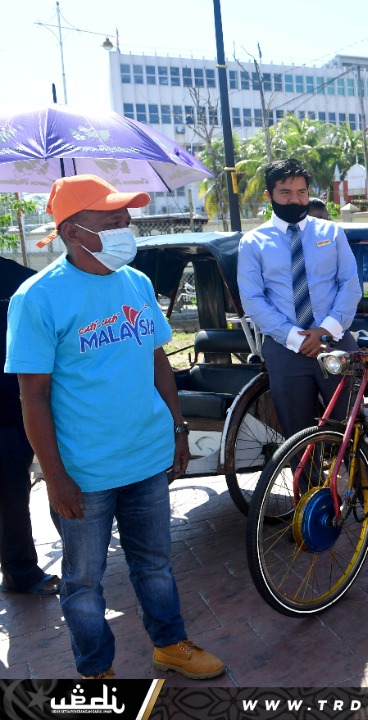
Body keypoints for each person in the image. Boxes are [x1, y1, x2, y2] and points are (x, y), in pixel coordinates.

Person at [6, 175, 225, 680]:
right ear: (72, 231)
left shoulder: (138, 283)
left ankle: (170, 643)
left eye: (126, 219)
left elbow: (158, 362)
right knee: (84, 582)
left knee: (155, 564)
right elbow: (33, 396)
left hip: (147, 455)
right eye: (112, 220)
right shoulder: (37, 298)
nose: (125, 228)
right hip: (84, 471)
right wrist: (55, 476)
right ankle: (96, 670)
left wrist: (178, 428)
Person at [237, 158, 368, 533]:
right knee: (298, 437)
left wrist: (324, 331)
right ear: (269, 195)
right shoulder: (253, 242)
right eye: (285, 192)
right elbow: (254, 301)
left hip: (336, 342)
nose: (295, 199)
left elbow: (349, 285)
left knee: (352, 425)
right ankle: (311, 513)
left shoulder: (331, 232)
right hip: (284, 348)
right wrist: (296, 338)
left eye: (302, 192)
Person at [0, 257, 59, 597]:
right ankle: (19, 571)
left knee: (22, 488)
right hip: (9, 410)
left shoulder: (22, 282)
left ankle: (20, 570)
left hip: (22, 402)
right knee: (10, 493)